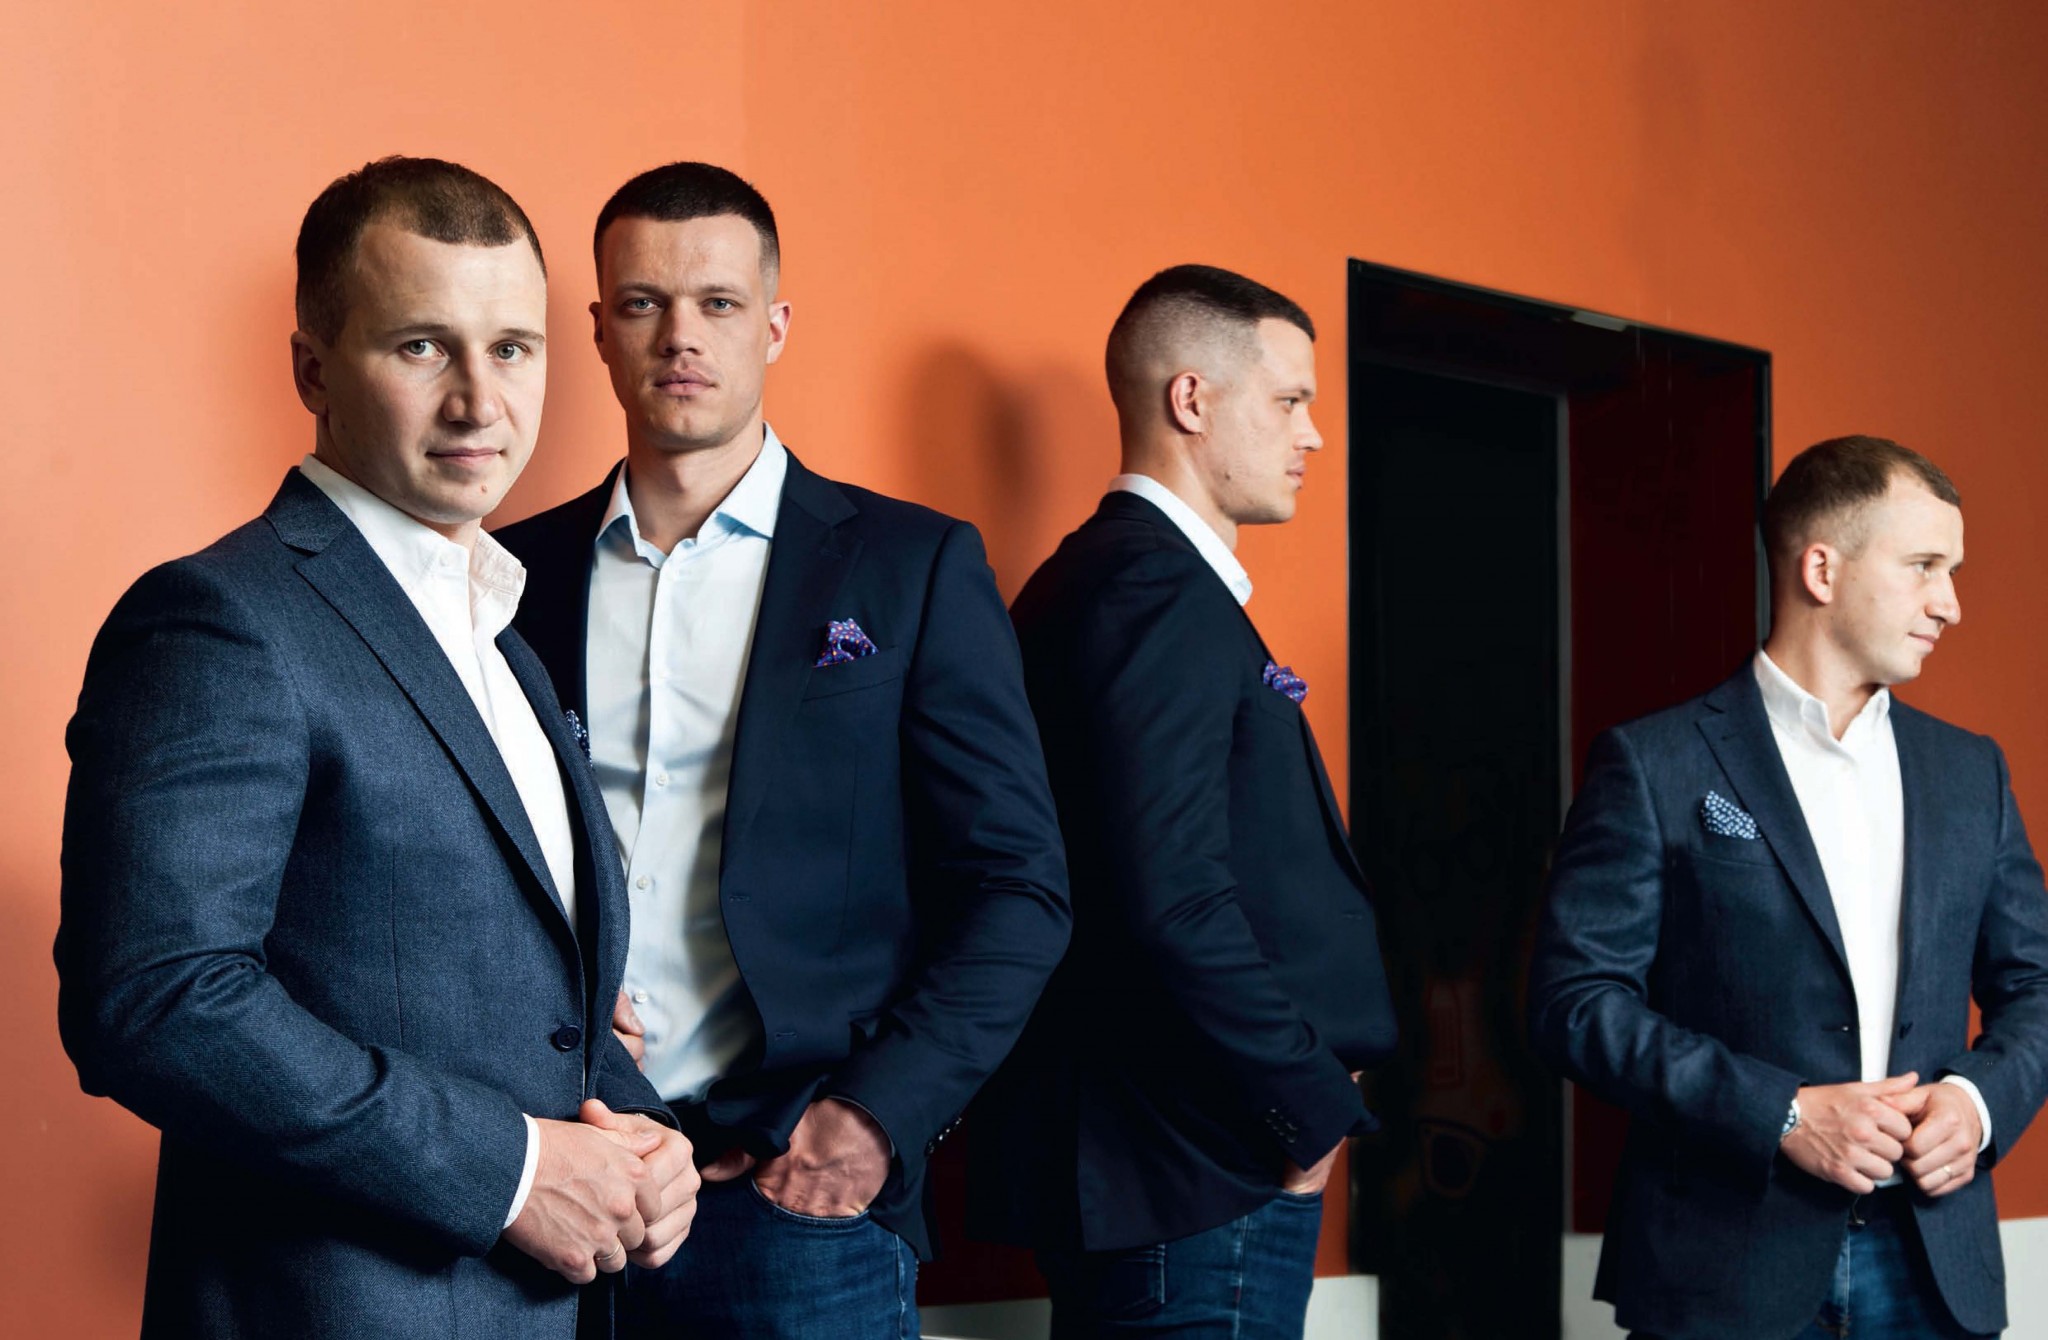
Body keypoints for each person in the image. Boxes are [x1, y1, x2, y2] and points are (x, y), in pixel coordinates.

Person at [55, 156, 698, 1340]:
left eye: (512, 348)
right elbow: (154, 999)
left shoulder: (502, 637)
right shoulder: (221, 619)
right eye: (420, 347)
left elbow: (536, 1005)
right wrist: (509, 1170)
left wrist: (647, 1139)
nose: (478, 401)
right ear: (313, 368)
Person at [495, 160, 1070, 1340]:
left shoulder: (909, 566)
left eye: (716, 302)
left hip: (793, 1200)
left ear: (774, 324)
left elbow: (1019, 888)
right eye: (643, 302)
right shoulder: (507, 577)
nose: (680, 335)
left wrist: (873, 1117)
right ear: (598, 329)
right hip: (567, 1178)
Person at [1529, 435, 2048, 1338]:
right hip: (1721, 1266)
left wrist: (1978, 1103)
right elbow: (1574, 1005)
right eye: (1924, 566)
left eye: (1952, 572)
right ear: (1821, 569)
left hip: (1934, 1266)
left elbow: (2035, 985)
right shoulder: (1654, 763)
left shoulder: (1973, 772)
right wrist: (1782, 1114)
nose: (1950, 603)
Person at [966, 264, 1398, 1339]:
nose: (1313, 435)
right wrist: (1305, 1106)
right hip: (1195, 1172)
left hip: (1176, 1170)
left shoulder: (1120, 580)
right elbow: (1168, 895)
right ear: (1191, 400)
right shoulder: (1151, 588)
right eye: (1289, 400)